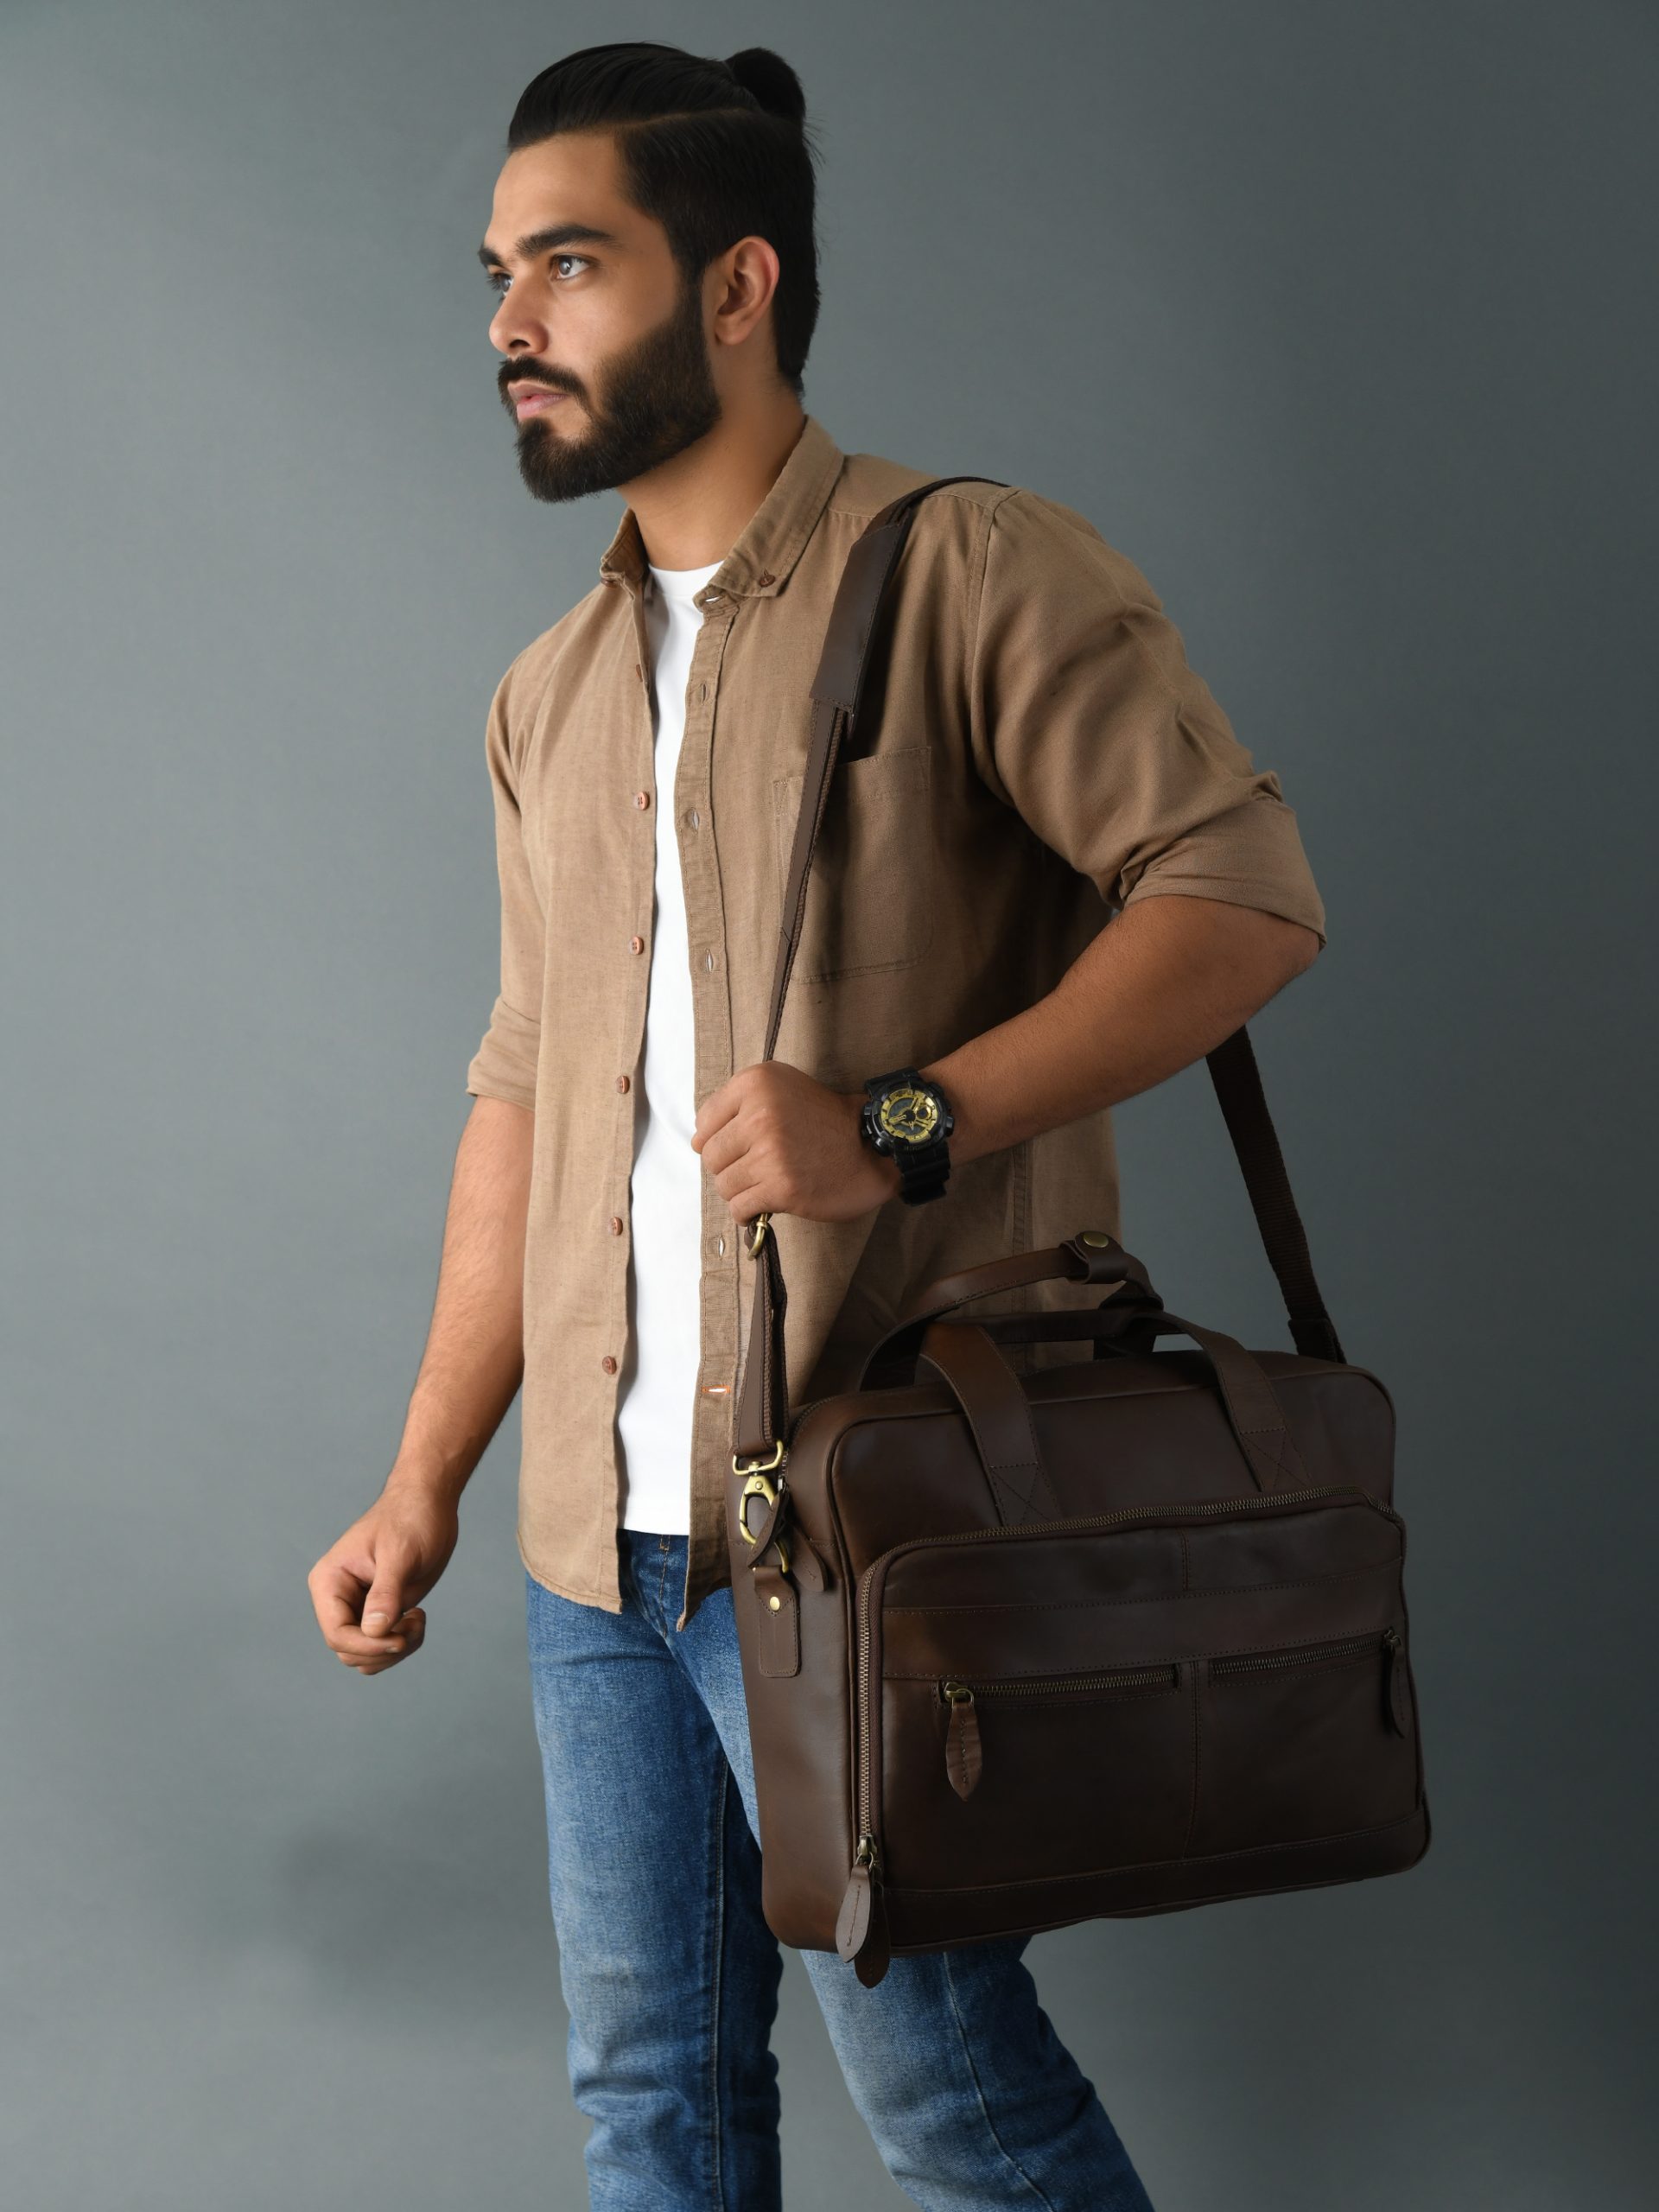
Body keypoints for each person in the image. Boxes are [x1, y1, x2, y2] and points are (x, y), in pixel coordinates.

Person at [308, 39, 1328, 2211]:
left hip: (861, 1514)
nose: (509, 322)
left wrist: (905, 1115)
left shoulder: (969, 567)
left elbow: (1245, 898)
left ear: (737, 283)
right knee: (650, 2103)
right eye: (497, 274)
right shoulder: (548, 694)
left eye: (569, 265)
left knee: (955, 2103)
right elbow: (525, 1090)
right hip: (596, 1550)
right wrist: (423, 1476)